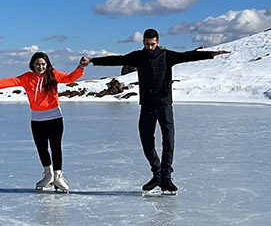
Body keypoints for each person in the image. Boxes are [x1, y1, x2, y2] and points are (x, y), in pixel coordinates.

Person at [86, 29, 229, 195]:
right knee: (146, 141)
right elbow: (118, 59)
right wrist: (92, 60)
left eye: (152, 44)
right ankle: (157, 174)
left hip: (164, 106)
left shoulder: (167, 56)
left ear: (158, 42)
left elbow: (187, 56)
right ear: (143, 43)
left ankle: (166, 177)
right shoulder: (138, 56)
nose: (150, 47)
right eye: (147, 44)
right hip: (147, 106)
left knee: (168, 141)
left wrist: (211, 54)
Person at [0, 52, 89, 193]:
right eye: (37, 64)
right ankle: (48, 175)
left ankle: (58, 176)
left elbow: (69, 78)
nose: (40, 67)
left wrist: (80, 67)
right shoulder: (27, 78)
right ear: (33, 65)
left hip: (54, 117)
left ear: (47, 64)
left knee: (55, 147)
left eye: (43, 64)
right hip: (37, 119)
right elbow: (11, 81)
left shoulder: (53, 75)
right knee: (41, 148)